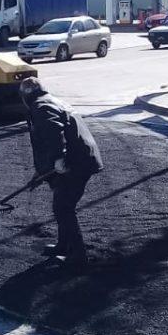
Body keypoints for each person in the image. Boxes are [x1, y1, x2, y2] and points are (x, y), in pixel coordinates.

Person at [20, 77, 104, 268]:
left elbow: (53, 132)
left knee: (63, 207)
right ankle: (63, 245)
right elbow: (49, 139)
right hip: (79, 158)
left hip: (76, 162)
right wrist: (40, 172)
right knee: (60, 201)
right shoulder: (51, 101)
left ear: (25, 96)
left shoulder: (41, 106)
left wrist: (59, 158)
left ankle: (78, 256)